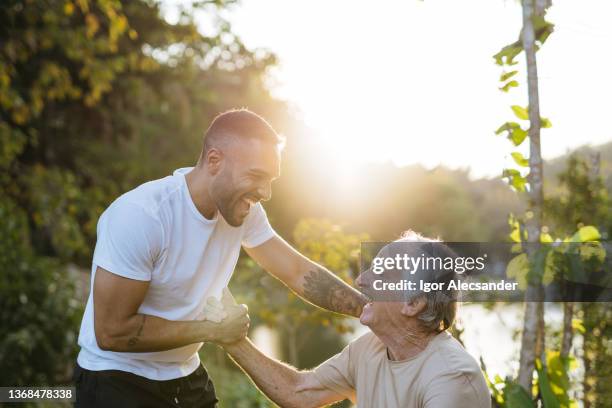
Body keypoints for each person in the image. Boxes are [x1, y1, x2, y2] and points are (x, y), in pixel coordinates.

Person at [73, 109, 368, 407]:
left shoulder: (245, 210)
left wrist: (370, 310)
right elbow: (111, 332)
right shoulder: (142, 216)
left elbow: (295, 271)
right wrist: (213, 331)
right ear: (214, 161)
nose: (265, 192)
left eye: (271, 180)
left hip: (185, 376)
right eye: (256, 176)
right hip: (116, 382)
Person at [221, 232, 492, 408]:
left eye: (382, 273)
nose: (361, 280)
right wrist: (231, 338)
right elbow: (299, 392)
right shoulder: (369, 349)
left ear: (413, 303)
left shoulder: (451, 377)